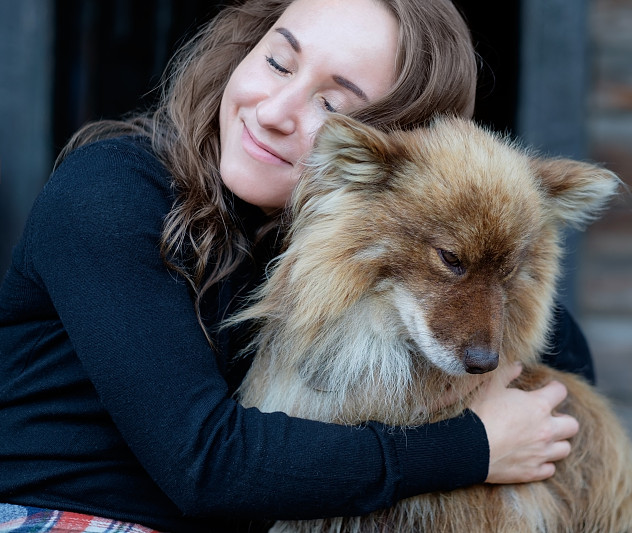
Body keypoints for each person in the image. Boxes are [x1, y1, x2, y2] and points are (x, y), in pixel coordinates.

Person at [0, 0, 591, 531]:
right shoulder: (111, 193)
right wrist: (474, 447)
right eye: (279, 63)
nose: (276, 110)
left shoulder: (335, 243)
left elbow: (564, 348)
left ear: (391, 151)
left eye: (332, 106)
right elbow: (205, 464)